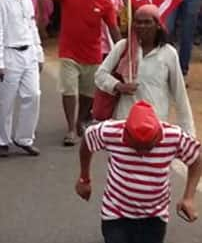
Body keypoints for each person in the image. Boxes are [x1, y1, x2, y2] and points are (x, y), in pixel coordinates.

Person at [76, 101, 201, 243]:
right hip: (116, 212)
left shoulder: (173, 136)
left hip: (154, 215)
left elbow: (197, 158)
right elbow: (88, 140)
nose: (142, 152)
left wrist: (189, 197)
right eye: (136, 147)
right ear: (125, 135)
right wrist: (84, 178)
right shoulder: (110, 131)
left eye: (148, 147)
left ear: (158, 136)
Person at [41, 0, 121, 146]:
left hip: (92, 54)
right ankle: (70, 128)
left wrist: (123, 52)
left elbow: (113, 29)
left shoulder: (105, 2)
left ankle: (80, 120)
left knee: (88, 94)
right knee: (69, 90)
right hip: (69, 52)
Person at [95, 5, 195, 136]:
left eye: (147, 22)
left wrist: (189, 133)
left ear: (157, 25)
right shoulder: (123, 47)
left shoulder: (169, 53)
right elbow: (100, 75)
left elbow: (180, 95)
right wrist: (118, 86)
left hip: (154, 124)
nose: (141, 26)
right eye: (138, 22)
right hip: (124, 122)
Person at [0, 0, 44, 157]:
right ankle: (2, 140)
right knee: (6, 100)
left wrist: (38, 53)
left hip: (28, 51)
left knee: (33, 95)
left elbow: (32, 25)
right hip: (9, 53)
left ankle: (24, 138)